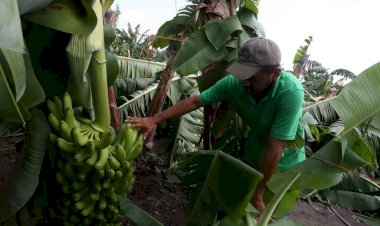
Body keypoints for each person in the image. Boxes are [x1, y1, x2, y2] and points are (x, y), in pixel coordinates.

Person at [128, 37, 306, 213]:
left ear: (274, 74)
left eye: (252, 78)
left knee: (268, 216)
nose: (244, 82)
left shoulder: (290, 92)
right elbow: (196, 101)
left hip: (283, 167)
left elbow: (275, 148)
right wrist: (154, 120)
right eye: (242, 74)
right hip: (253, 156)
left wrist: (259, 193)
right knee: (227, 211)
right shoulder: (235, 84)